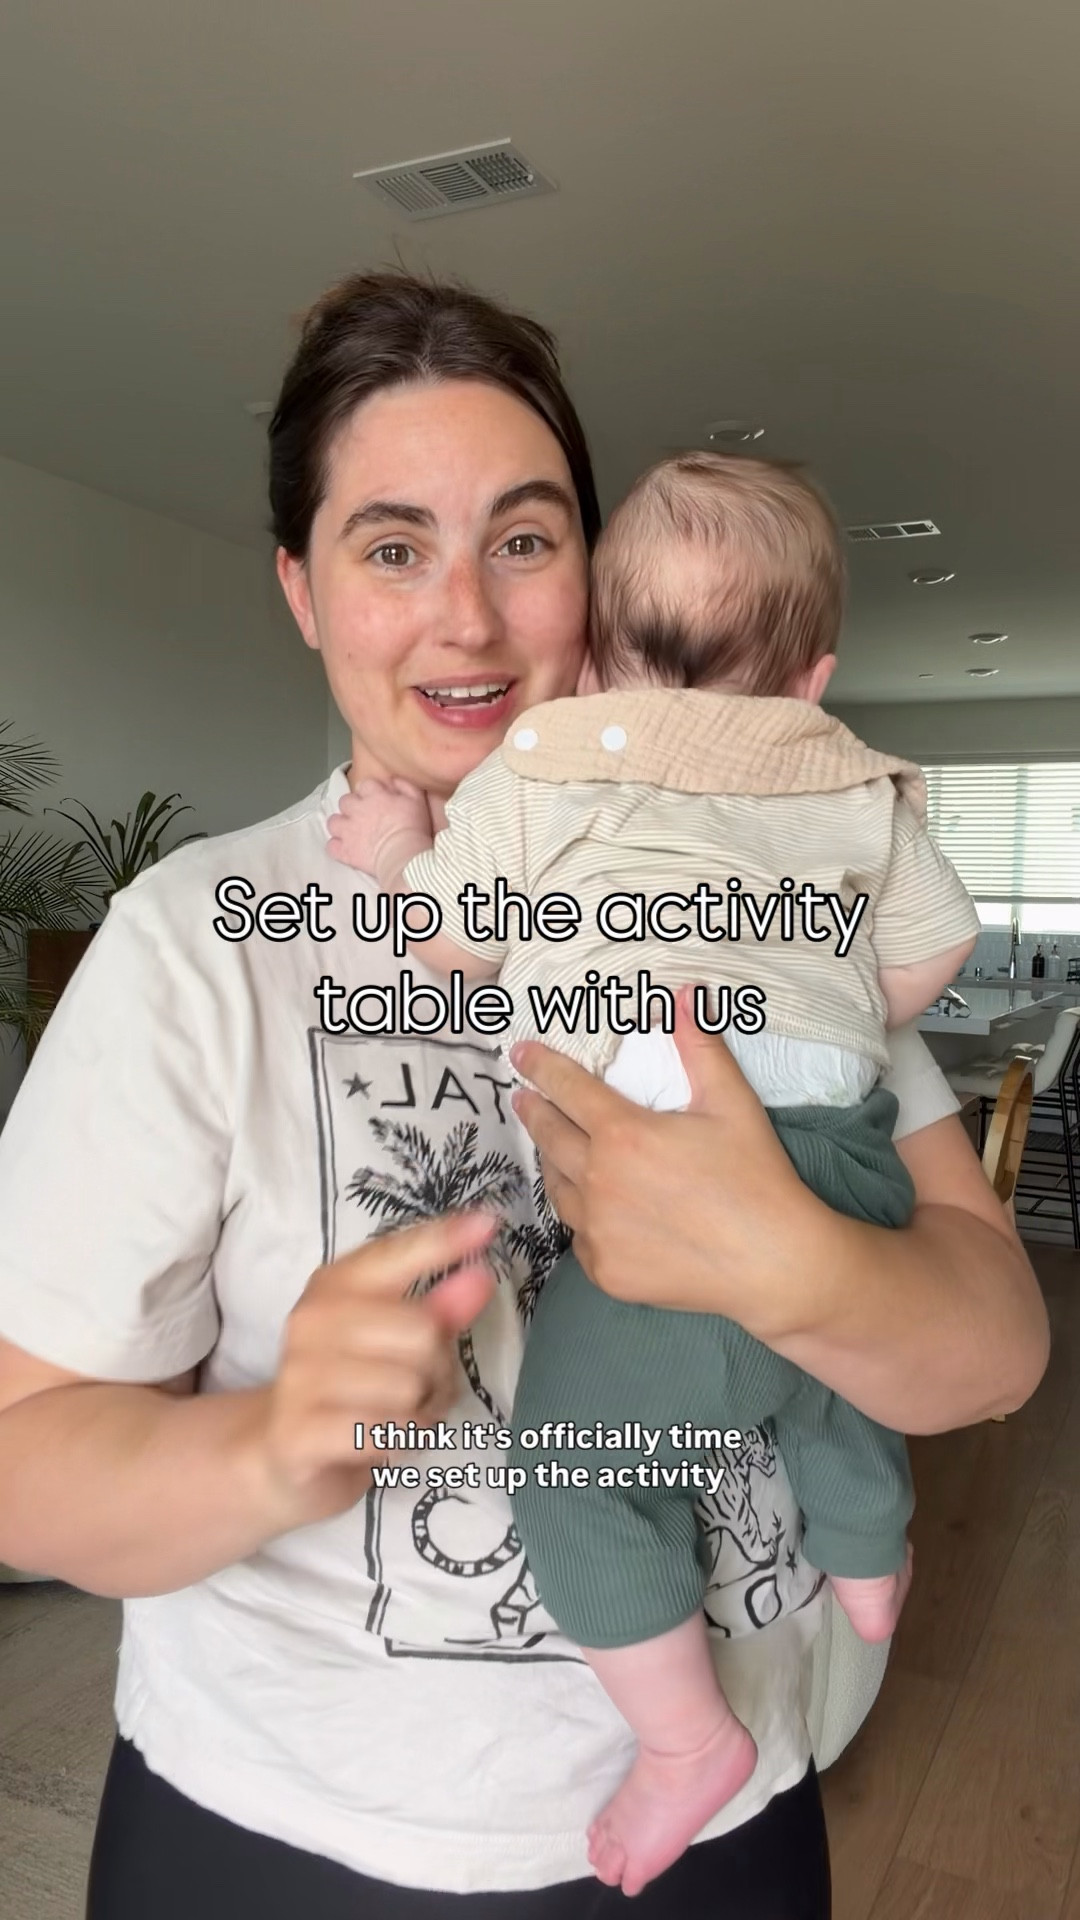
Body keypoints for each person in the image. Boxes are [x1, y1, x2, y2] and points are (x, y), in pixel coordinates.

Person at [0, 271, 1047, 1920]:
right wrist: (276, 1439)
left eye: (528, 539)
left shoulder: (774, 908)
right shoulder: (196, 943)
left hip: (732, 1830)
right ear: (304, 590)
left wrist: (794, 1259)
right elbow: (25, 1461)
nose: (469, 620)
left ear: (601, 576)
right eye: (393, 546)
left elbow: (995, 1351)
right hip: (289, 1850)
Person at [326, 449, 980, 1895]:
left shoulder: (551, 763)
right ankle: (867, 1548)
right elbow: (931, 959)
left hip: (676, 1179)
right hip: (851, 1150)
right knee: (817, 1352)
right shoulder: (857, 779)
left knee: (577, 1465)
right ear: (811, 678)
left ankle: (689, 1743)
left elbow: (449, 934)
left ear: (603, 653)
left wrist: (394, 848)